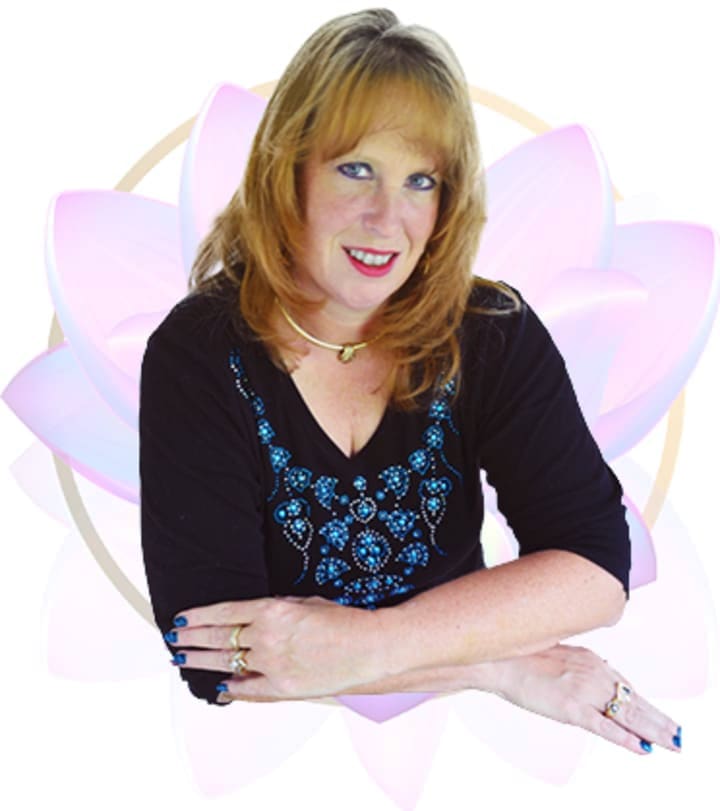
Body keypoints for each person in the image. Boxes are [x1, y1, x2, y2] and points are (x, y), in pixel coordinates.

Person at [139, 8, 681, 755]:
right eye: (356, 169)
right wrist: (499, 666)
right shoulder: (198, 352)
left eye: (420, 181)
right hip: (267, 750)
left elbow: (595, 570)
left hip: (477, 749)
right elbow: (212, 652)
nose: (386, 219)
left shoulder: (490, 329)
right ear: (288, 172)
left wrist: (370, 644)